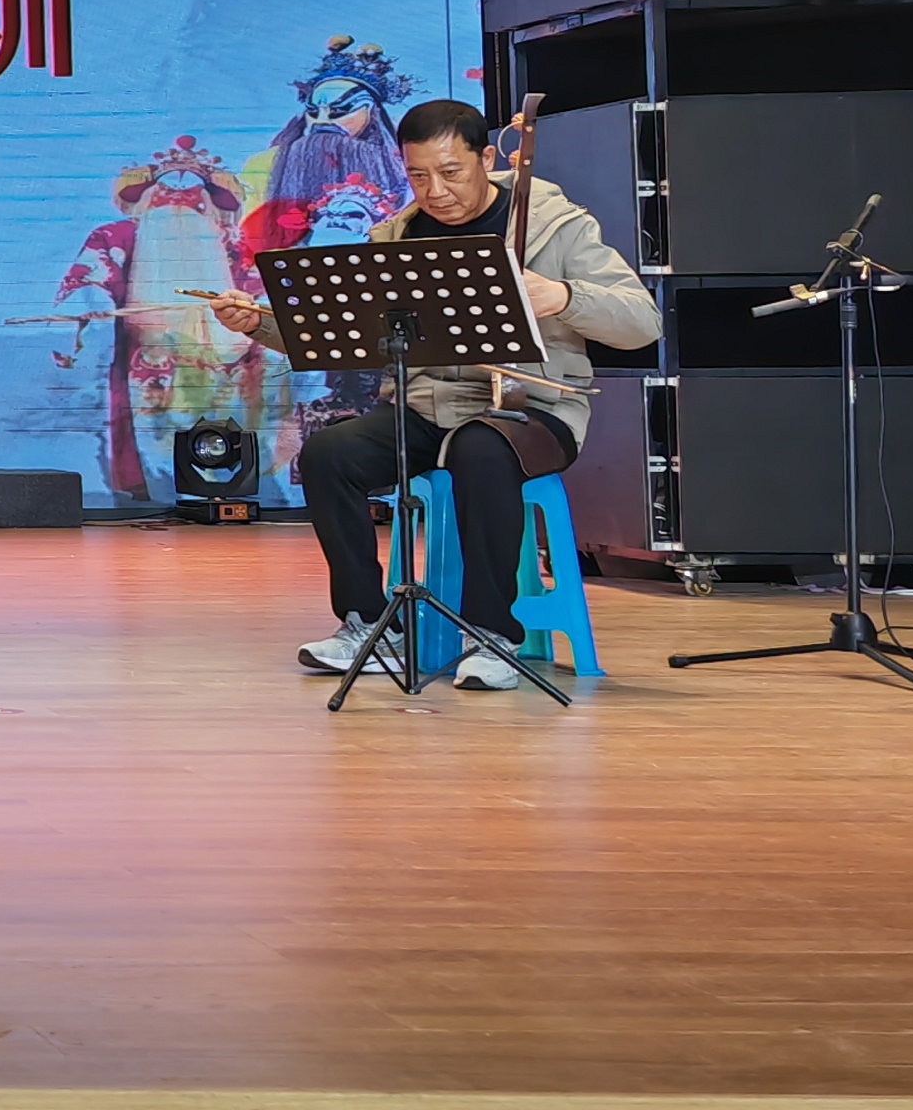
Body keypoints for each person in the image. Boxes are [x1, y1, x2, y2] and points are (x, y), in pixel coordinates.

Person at [209, 98, 656, 691]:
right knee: (329, 454)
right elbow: (350, 336)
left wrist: (565, 297)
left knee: (480, 448)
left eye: (451, 172)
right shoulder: (396, 236)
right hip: (425, 409)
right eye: (418, 175)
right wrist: (259, 324)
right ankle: (369, 624)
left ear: (486, 159)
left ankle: (492, 635)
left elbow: (642, 322)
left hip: (531, 410)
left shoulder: (554, 224)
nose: (435, 191)